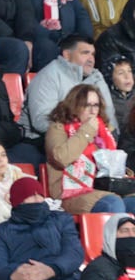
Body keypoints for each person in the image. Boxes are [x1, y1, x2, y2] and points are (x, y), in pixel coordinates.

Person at [43, 84, 135, 215]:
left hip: (103, 188)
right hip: (70, 192)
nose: (92, 110)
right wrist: (86, 132)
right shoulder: (58, 128)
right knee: (112, 203)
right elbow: (61, 158)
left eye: (96, 105)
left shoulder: (104, 130)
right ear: (74, 106)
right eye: (87, 105)